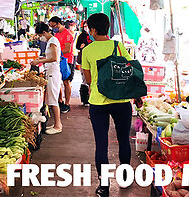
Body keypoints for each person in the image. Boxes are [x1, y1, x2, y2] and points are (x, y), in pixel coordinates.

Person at [81, 13, 133, 197]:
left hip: (98, 102)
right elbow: (129, 68)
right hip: (121, 101)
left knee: (101, 144)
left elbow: (88, 80)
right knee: (123, 139)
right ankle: (125, 177)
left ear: (93, 29)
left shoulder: (87, 50)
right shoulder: (119, 47)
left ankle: (104, 187)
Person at [30, 22, 63, 135]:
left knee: (53, 100)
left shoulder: (53, 41)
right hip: (50, 71)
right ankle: (56, 124)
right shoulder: (50, 41)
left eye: (40, 35)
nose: (40, 38)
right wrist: (42, 58)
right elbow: (50, 56)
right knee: (51, 99)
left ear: (44, 32)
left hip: (53, 72)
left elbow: (54, 58)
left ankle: (58, 125)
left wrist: (39, 61)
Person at [48, 16, 74, 113]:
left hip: (67, 60)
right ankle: (60, 101)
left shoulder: (67, 34)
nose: (52, 28)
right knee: (57, 81)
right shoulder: (56, 34)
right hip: (58, 60)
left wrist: (55, 53)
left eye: (53, 26)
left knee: (66, 82)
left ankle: (67, 104)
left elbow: (67, 49)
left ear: (59, 24)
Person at [76, 21, 92, 106]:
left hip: (93, 59)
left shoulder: (93, 36)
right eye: (85, 26)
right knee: (85, 79)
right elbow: (77, 46)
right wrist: (80, 46)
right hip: (83, 59)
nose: (86, 28)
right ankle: (85, 99)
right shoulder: (81, 36)